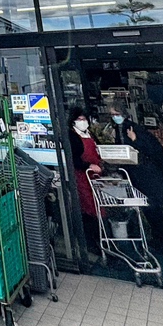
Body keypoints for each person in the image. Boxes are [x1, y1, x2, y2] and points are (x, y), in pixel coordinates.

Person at [110, 105, 163, 253]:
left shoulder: (132, 130)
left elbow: (148, 150)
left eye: (116, 114)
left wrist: (135, 140)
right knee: (152, 211)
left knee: (152, 210)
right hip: (143, 177)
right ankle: (160, 241)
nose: (114, 117)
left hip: (146, 177)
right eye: (112, 114)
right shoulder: (124, 129)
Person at [68, 105, 102, 253]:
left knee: (96, 206)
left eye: (84, 119)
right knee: (87, 208)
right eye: (79, 119)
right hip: (82, 176)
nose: (82, 122)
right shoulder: (72, 137)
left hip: (96, 176)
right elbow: (73, 159)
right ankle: (90, 242)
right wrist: (88, 165)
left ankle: (99, 238)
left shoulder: (89, 134)